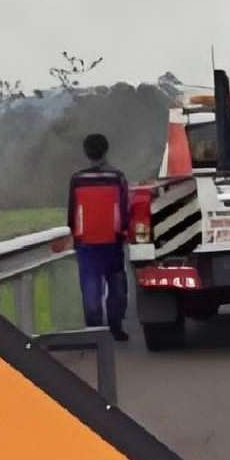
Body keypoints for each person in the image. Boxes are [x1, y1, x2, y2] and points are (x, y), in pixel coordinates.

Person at [68, 133, 131, 341]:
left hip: (87, 244)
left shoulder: (78, 179)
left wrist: (75, 236)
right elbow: (124, 209)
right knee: (116, 288)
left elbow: (72, 212)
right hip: (112, 242)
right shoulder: (117, 177)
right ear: (106, 150)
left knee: (91, 290)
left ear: (86, 153)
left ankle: (94, 333)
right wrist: (123, 232)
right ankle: (115, 328)